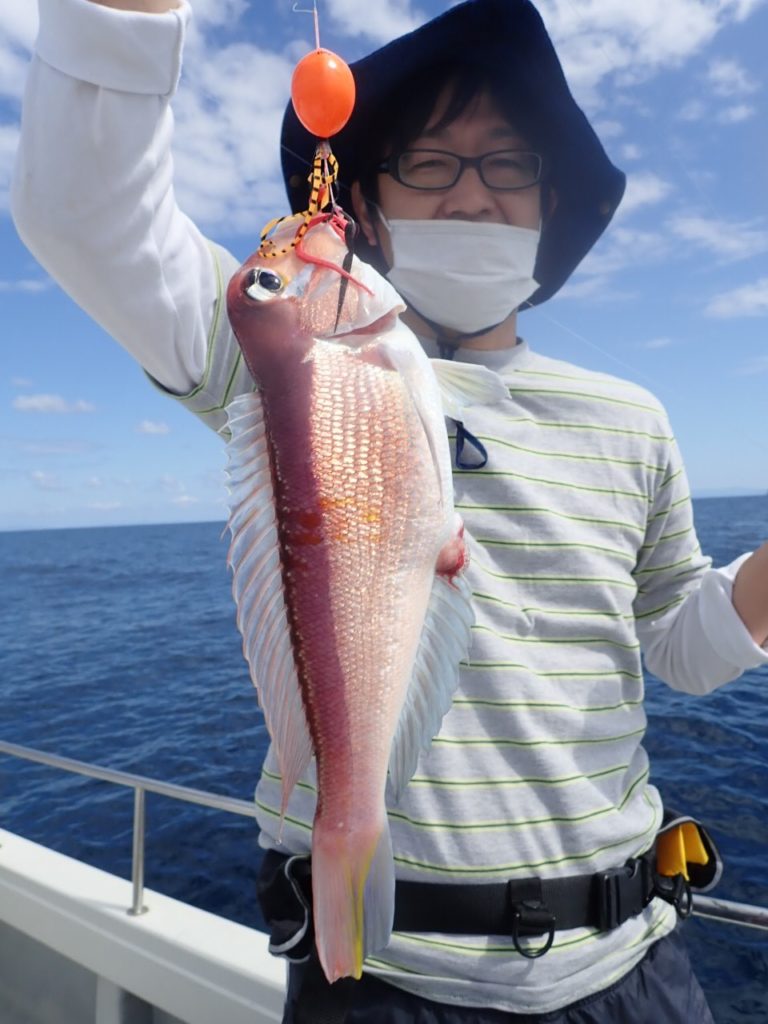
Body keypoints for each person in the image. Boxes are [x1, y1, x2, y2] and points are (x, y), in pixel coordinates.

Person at [11, 1, 768, 1021]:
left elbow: (681, 641)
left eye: (507, 163)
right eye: (428, 161)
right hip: (385, 980)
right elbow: (88, 212)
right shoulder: (285, 357)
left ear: (548, 204)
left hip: (634, 971)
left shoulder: (631, 418)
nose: (471, 193)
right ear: (362, 201)